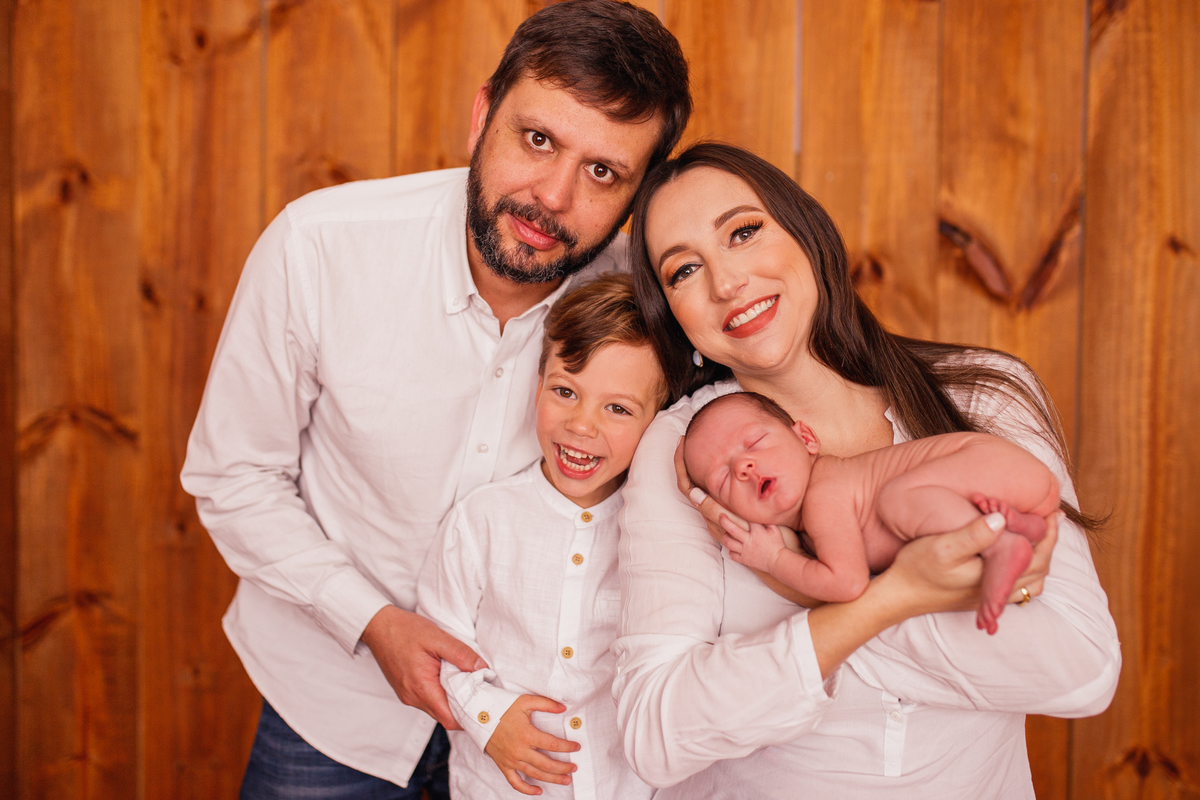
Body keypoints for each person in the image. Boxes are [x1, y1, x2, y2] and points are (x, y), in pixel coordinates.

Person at [179, 2, 690, 796]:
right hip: (334, 705)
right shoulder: (318, 246)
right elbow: (233, 478)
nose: (553, 196)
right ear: (482, 113)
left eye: (602, 172)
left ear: (639, 190)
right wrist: (373, 623)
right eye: (538, 139)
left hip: (552, 746)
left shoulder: (652, 304)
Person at [613, 142, 1120, 798]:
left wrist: (814, 594)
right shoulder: (688, 453)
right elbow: (657, 733)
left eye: (743, 232)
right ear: (672, 314)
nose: (726, 283)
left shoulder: (986, 396)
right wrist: (897, 597)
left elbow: (1083, 671)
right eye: (684, 271)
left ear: (807, 234)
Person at [418, 274, 667, 799]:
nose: (581, 424)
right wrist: (490, 719)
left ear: (658, 420)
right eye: (564, 391)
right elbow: (442, 645)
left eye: (617, 408)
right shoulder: (481, 520)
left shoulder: (662, 533)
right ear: (537, 385)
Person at [682, 390, 1060, 633]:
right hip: (1016, 489)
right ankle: (1017, 525)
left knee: (898, 498)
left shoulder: (824, 492)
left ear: (807, 438)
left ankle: (1000, 543)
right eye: (723, 479)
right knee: (905, 498)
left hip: (993, 464)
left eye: (756, 441)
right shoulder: (815, 520)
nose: (744, 466)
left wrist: (774, 559)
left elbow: (847, 584)